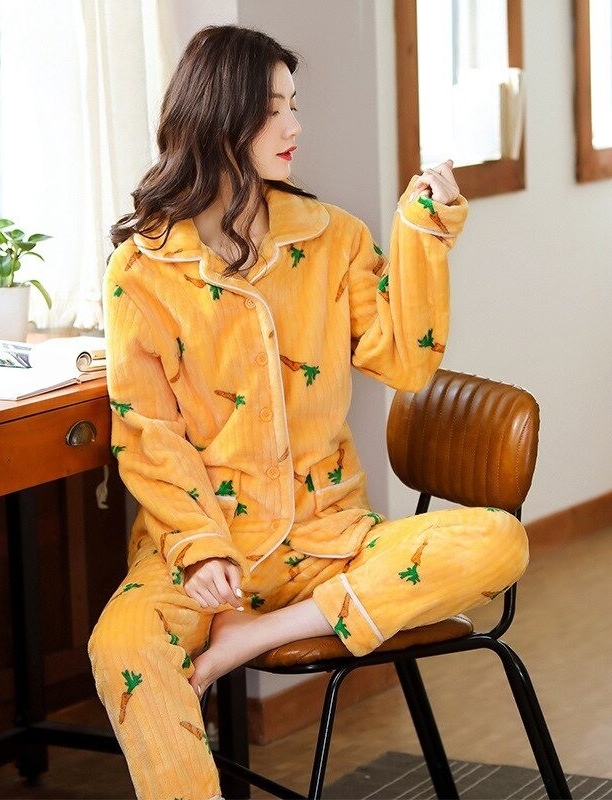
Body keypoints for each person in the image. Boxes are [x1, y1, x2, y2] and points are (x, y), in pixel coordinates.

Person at [88, 24, 528, 800]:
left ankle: (253, 636)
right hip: (204, 549)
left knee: (499, 541)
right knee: (121, 645)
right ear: (219, 117)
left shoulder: (332, 240)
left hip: (329, 541)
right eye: (273, 109)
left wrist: (421, 231)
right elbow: (148, 431)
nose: (294, 126)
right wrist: (200, 550)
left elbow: (406, 361)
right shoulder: (141, 270)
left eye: (295, 105)